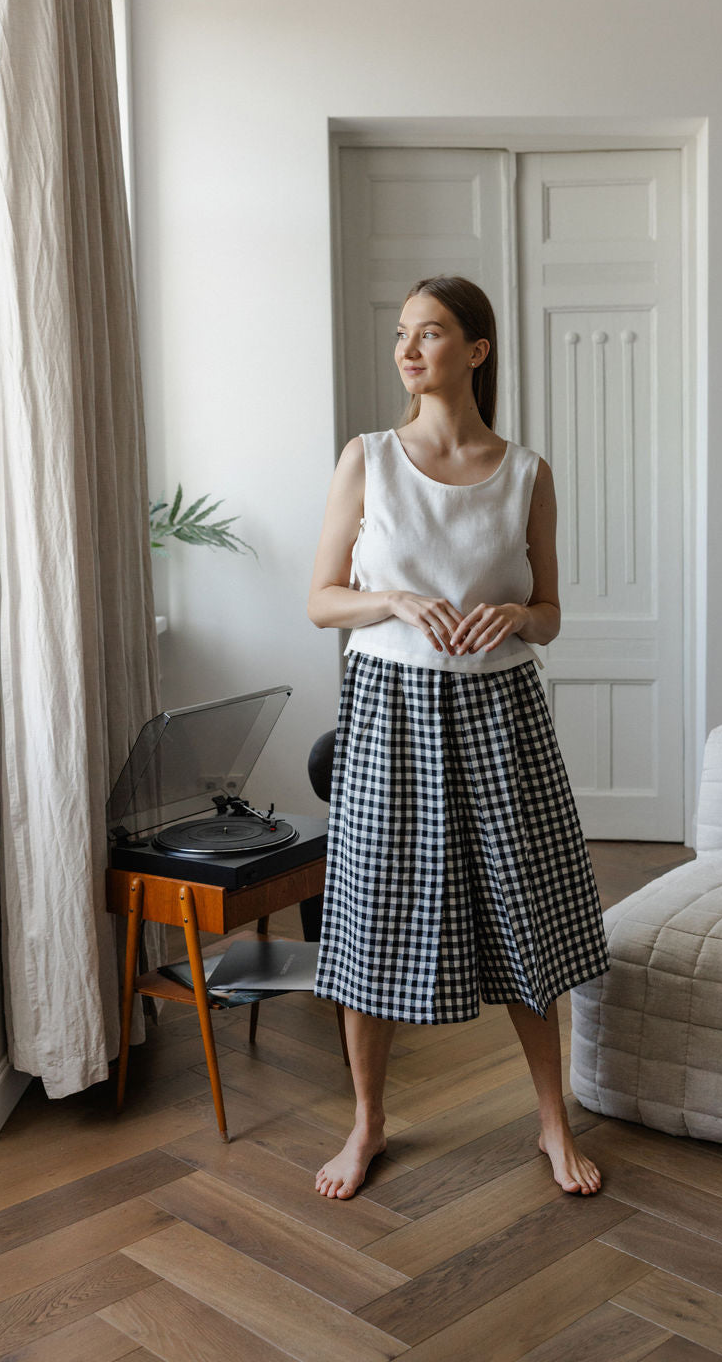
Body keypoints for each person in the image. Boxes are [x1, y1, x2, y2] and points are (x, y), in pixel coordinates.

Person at [306, 274, 609, 1201]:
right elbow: (321, 602)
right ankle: (367, 1123)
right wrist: (390, 598)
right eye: (402, 333)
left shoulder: (527, 473)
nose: (407, 349)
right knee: (371, 924)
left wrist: (517, 613)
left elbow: (553, 615)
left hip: (501, 714)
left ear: (475, 350)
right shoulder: (367, 459)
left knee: (527, 915)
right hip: (390, 712)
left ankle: (552, 1124)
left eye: (429, 333)